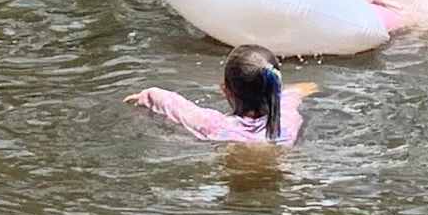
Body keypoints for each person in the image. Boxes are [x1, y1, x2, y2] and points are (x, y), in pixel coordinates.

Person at [131, 46, 314, 146]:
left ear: (225, 90)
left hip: (234, 165)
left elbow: (173, 104)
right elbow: (300, 90)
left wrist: (146, 95)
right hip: (280, 167)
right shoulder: (287, 119)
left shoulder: (215, 125)